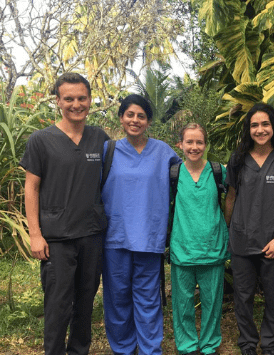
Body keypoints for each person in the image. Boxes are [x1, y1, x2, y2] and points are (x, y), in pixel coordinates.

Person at [21, 73, 109, 355]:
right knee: (58, 306)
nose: (76, 104)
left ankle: (79, 351)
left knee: (85, 303)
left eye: (81, 98)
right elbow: (31, 188)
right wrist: (35, 234)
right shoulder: (41, 140)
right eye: (68, 98)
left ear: (90, 100)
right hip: (56, 238)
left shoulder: (100, 139)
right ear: (57, 101)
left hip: (92, 235)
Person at [100, 94, 180, 354]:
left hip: (149, 237)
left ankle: (149, 349)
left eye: (141, 116)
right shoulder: (108, 151)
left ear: (148, 121)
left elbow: (193, 173)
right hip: (115, 238)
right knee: (117, 298)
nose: (135, 120)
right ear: (121, 118)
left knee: (148, 299)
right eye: (130, 114)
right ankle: (123, 348)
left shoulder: (163, 152)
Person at [224, 103, 274, 355]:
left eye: (265, 124)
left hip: (272, 242)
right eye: (254, 125)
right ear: (248, 129)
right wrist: (229, 230)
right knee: (242, 298)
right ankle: (246, 343)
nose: (260, 129)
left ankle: (269, 344)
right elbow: (230, 198)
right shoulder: (238, 159)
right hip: (241, 241)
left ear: (273, 126)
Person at [170, 123, 229, 355]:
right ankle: (186, 346)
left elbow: (239, 189)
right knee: (182, 303)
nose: (194, 147)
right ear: (180, 145)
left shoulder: (218, 171)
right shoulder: (174, 174)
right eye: (189, 142)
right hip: (182, 248)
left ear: (206, 145)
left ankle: (209, 345)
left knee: (212, 303)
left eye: (199, 142)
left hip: (212, 248)